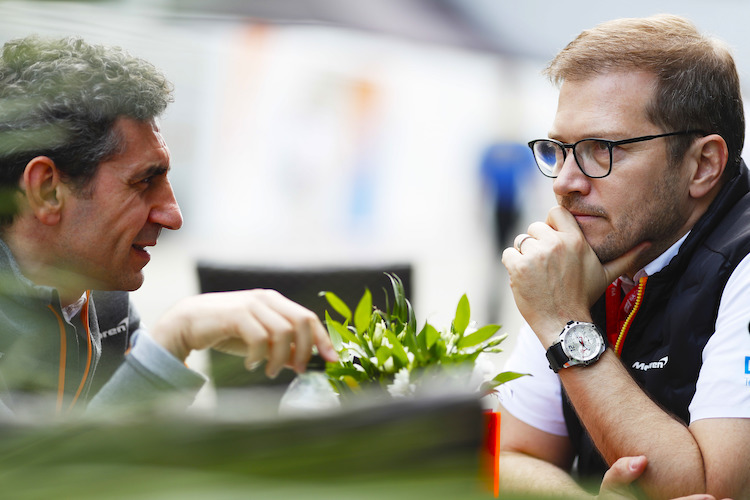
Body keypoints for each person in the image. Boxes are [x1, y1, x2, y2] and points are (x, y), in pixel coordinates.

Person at [0, 35, 337, 416]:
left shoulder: (101, 296)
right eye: (144, 181)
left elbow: (137, 458)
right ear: (47, 189)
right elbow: (33, 475)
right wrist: (176, 336)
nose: (173, 216)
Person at [497, 14, 750, 500]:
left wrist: (565, 324)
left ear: (703, 165)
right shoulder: (588, 253)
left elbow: (712, 492)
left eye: (600, 149)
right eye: (559, 150)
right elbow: (507, 456)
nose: (565, 181)